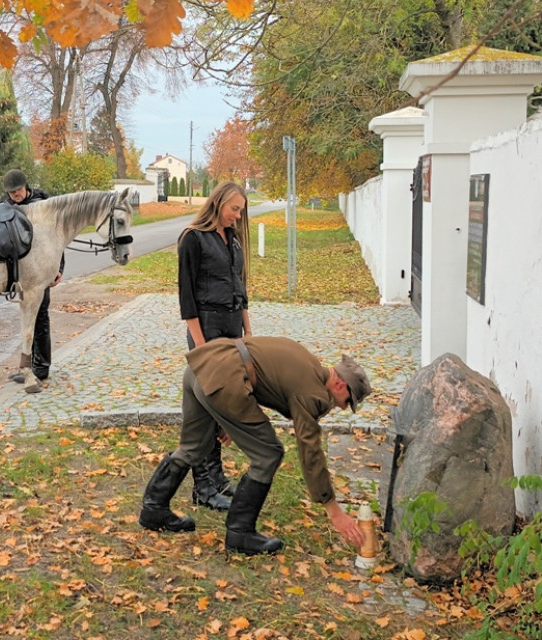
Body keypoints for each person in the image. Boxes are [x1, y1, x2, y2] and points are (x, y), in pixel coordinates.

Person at [138, 336, 372, 556]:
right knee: (269, 454)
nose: (341, 408)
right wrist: (334, 510)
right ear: (341, 385)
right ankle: (240, 532)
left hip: (202, 368)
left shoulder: (306, 360)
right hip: (225, 382)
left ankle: (153, 509)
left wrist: (227, 415)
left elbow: (256, 370)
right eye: (347, 402)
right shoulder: (313, 392)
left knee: (193, 447)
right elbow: (309, 447)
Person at [176, 181, 252, 512]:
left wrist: (248, 333)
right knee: (207, 402)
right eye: (234, 208)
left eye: (241, 210)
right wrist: (202, 346)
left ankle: (217, 478)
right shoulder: (193, 238)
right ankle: (203, 487)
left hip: (232, 326)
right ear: (218, 202)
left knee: (224, 399)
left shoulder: (231, 239)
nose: (238, 215)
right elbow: (187, 298)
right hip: (206, 325)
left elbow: (241, 286)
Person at [1, 168, 63, 394]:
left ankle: (42, 366)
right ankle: (30, 365)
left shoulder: (43, 202)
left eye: (17, 191)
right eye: (11, 192)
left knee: (41, 315)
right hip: (20, 272)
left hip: (41, 269)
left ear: (25, 186)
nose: (14, 195)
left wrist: (59, 268)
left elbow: (57, 239)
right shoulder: (7, 206)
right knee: (29, 317)